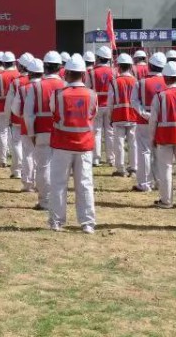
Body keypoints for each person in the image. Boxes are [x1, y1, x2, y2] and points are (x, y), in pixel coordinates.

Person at [48, 54, 98, 233]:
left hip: (62, 144)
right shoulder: (92, 95)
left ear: (67, 72)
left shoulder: (58, 95)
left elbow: (53, 112)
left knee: (58, 184)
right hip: (83, 146)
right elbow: (93, 114)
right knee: (85, 184)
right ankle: (87, 222)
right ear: (83, 74)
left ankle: (56, 221)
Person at [24, 51, 66, 210]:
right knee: (61, 168)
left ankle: (45, 201)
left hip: (41, 131)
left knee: (43, 167)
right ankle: (59, 200)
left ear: (45, 67)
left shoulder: (36, 87)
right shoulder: (65, 85)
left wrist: (31, 133)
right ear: (59, 67)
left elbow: (28, 114)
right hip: (62, 132)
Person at [150, 61, 176, 209]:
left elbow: (153, 120)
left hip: (164, 136)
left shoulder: (160, 96)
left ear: (165, 78)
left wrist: (152, 137)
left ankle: (166, 200)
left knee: (165, 168)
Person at [130, 52, 166, 192]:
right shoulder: (168, 82)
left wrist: (146, 115)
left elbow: (133, 101)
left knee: (144, 152)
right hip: (162, 123)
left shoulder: (141, 82)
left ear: (150, 65)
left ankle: (144, 183)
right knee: (160, 153)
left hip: (144, 122)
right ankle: (159, 182)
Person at [13, 58, 42, 192]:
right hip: (46, 127)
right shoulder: (49, 86)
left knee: (28, 154)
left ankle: (29, 183)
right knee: (45, 156)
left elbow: (15, 108)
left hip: (26, 124)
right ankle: (42, 184)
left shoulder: (23, 88)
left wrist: (22, 116)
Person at [109, 54, 139, 179]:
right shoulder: (136, 81)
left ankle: (120, 168)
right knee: (133, 143)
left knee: (119, 143)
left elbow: (111, 101)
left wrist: (111, 116)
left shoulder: (114, 82)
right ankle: (134, 167)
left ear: (119, 67)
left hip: (118, 115)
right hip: (133, 115)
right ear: (131, 66)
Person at [87, 45, 115, 167]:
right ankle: (111, 159)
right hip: (110, 105)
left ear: (98, 58)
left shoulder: (91, 72)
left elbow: (88, 89)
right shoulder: (114, 71)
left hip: (96, 105)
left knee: (96, 132)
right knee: (110, 132)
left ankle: (96, 158)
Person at [0, 52, 20, 169]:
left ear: (3, 63)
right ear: (14, 62)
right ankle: (16, 159)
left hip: (1, 107)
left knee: (2, 133)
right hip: (16, 108)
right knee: (16, 136)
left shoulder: (0, 76)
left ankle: (2, 160)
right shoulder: (19, 75)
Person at [5, 54, 31, 179]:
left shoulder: (16, 82)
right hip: (33, 118)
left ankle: (17, 169)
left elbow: (10, 102)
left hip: (18, 117)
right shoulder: (37, 81)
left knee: (16, 143)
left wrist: (8, 116)